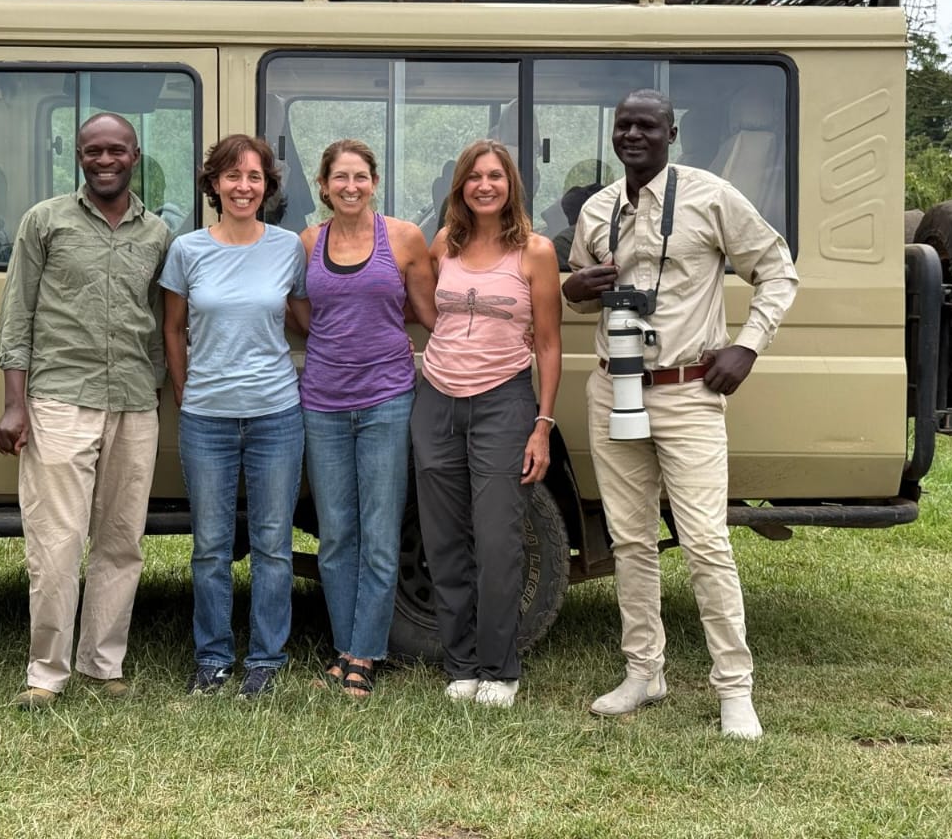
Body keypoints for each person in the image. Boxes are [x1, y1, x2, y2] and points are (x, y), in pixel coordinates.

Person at [563, 89, 798, 739]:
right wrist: (572, 288)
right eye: (624, 125)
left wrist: (747, 346)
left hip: (690, 389)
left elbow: (778, 270)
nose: (633, 134)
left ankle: (735, 690)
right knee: (631, 540)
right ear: (614, 135)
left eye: (647, 125)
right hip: (615, 387)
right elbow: (582, 287)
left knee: (703, 541)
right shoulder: (598, 208)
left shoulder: (710, 196)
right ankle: (645, 670)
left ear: (670, 132)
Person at [0, 112, 171, 711]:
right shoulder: (45, 221)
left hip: (133, 403)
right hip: (59, 399)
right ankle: (46, 673)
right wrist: (14, 406)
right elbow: (17, 317)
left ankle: (104, 663)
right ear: (78, 156)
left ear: (135, 154)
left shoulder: (158, 233)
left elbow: (159, 324)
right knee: (57, 542)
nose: (104, 160)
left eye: (115, 150)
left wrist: (157, 387)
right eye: (92, 150)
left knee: (122, 540)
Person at [410, 138, 562, 709]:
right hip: (437, 400)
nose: (485, 186)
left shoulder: (536, 252)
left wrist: (542, 423)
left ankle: (500, 668)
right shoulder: (444, 243)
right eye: (474, 177)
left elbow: (548, 344)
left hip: (505, 403)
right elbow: (426, 307)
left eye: (495, 176)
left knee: (498, 541)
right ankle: (462, 663)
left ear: (511, 185)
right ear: (460, 187)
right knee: (444, 540)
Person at [160, 134, 309, 700]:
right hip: (206, 419)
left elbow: (302, 319)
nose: (243, 187)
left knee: (272, 544)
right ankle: (213, 658)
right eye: (232, 176)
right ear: (214, 185)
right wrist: (184, 389)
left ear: (267, 187)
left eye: (254, 177)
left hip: (276, 414)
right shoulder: (187, 251)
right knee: (211, 546)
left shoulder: (287, 247)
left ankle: (267, 660)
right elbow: (173, 329)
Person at [297, 139, 437, 698]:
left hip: (387, 399)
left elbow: (428, 314)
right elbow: (304, 315)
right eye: (339, 178)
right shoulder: (310, 241)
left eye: (360, 176)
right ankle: (344, 645)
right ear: (324, 186)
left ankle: (363, 655)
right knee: (336, 535)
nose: (350, 186)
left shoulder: (403, 238)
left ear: (373, 182)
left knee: (379, 533)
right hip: (323, 402)